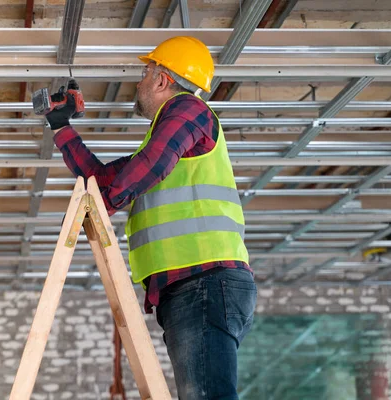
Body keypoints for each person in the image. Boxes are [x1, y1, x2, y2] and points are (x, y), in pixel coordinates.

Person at [45, 36, 257, 400]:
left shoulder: (190, 110)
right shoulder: (164, 144)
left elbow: (145, 169)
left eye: (146, 72)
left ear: (162, 79)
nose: (139, 81)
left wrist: (103, 205)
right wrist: (61, 127)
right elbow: (101, 182)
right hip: (187, 286)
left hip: (204, 280)